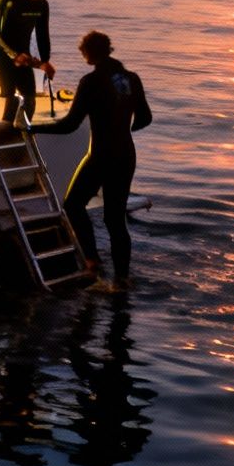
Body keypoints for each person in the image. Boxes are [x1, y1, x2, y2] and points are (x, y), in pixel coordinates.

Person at [29, 31, 151, 288]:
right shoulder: (132, 79)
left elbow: (70, 125)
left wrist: (34, 128)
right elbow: (145, 119)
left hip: (100, 155)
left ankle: (92, 262)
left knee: (73, 206)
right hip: (126, 155)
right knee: (115, 219)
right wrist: (121, 127)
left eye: (82, 50)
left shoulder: (91, 81)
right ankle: (121, 279)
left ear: (89, 53)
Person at [0, 0, 55, 122]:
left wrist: (45, 61)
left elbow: (43, 34)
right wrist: (14, 55)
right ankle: (3, 135)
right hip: (1, 54)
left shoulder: (42, 5)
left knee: (29, 99)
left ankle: (22, 134)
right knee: (12, 97)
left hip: (23, 56)